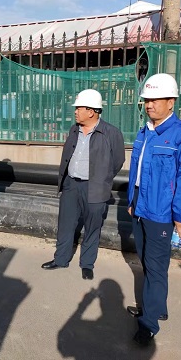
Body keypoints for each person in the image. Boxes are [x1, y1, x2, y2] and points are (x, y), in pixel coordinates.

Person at [126, 73, 181, 346]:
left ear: (171, 102)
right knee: (147, 260)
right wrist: (132, 201)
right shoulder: (145, 131)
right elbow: (136, 171)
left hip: (161, 211)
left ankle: (148, 324)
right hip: (140, 205)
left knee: (156, 266)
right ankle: (156, 307)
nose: (149, 105)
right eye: (147, 100)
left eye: (156, 100)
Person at [41, 89, 125, 280]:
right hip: (71, 185)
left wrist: (102, 179)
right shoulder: (74, 130)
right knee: (65, 224)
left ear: (92, 111)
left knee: (92, 226)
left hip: (95, 188)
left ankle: (87, 264)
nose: (75, 111)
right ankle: (61, 259)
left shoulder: (110, 133)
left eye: (79, 108)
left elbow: (118, 161)